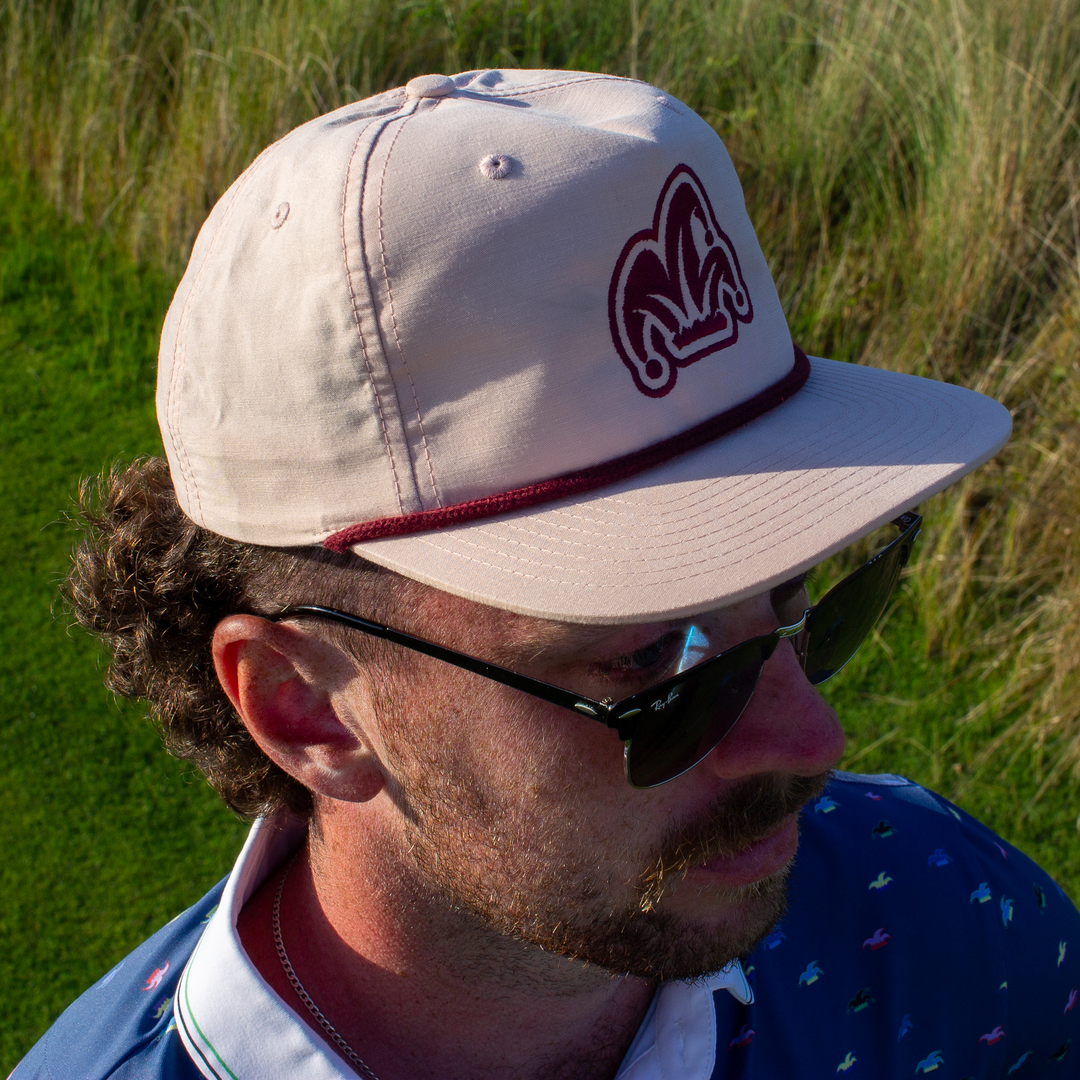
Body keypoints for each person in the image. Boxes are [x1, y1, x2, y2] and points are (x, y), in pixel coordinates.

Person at [12, 69, 1079, 1080]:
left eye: (801, 601)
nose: (813, 742)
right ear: (309, 710)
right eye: (653, 661)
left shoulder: (933, 911)